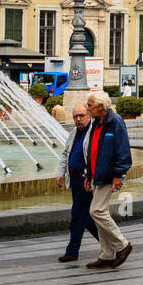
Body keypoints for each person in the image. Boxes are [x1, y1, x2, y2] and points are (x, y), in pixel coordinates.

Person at [81, 91, 134, 270]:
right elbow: (92, 150)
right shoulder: (97, 123)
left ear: (100, 107)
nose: (87, 109)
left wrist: (118, 175)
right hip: (97, 174)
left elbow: (123, 151)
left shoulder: (115, 122)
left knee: (96, 211)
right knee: (100, 212)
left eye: (90, 106)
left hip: (108, 175)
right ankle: (106, 255)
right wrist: (88, 175)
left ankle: (122, 245)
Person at [54, 105, 99, 262]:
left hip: (86, 179)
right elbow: (65, 154)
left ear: (88, 115)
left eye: (81, 115)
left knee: (78, 215)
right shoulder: (73, 133)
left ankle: (72, 251)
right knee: (87, 218)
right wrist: (60, 174)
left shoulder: (94, 132)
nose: (78, 119)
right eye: (75, 117)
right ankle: (115, 245)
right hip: (74, 179)